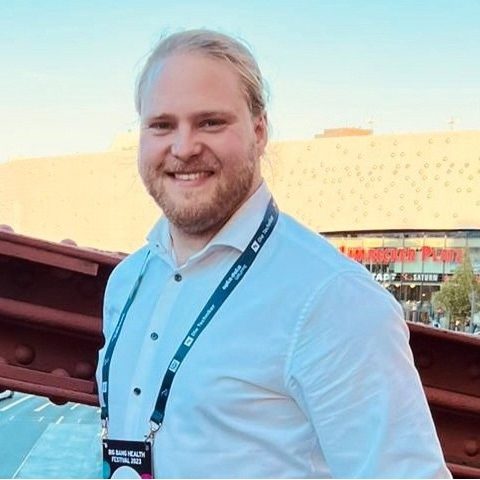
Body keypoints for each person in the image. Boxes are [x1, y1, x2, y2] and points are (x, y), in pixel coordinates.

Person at [97, 29, 451, 478]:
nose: (183, 148)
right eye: (162, 125)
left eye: (211, 122)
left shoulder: (331, 297)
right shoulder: (128, 283)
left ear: (259, 131)